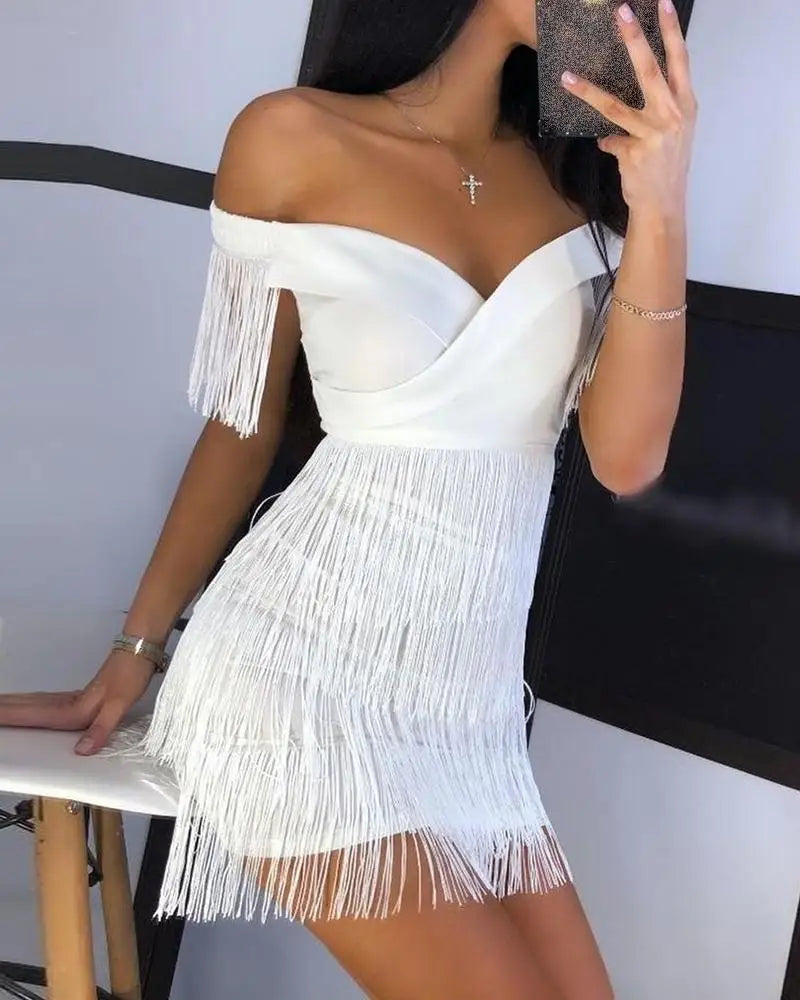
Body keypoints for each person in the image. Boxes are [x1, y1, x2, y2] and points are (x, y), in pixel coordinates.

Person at [0, 1, 697, 997]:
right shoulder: (290, 137)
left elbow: (625, 459)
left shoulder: (578, 185)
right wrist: (134, 649)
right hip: (293, 687)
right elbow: (242, 427)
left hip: (463, 722)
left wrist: (661, 204)